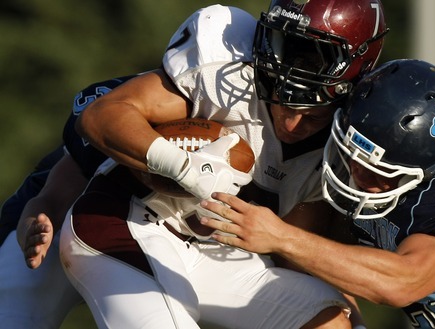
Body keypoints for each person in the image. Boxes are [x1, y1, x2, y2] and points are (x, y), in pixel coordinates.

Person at [60, 1, 388, 328]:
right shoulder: (226, 71)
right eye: (282, 101)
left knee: (329, 319)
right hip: (131, 221)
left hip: (217, 256)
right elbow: (102, 116)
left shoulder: (342, 142)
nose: (290, 124)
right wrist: (181, 167)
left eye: (311, 115)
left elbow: (294, 250)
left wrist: (350, 308)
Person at [200, 59, 435, 328]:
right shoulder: (347, 154)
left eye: (382, 171)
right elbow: (314, 253)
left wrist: (281, 237)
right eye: (353, 156)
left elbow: (403, 282)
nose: (359, 174)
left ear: (425, 168)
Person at [0, 75, 136, 328]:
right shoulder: (122, 107)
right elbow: (51, 200)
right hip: (60, 224)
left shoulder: (225, 117)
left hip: (147, 231)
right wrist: (32, 233)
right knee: (18, 317)